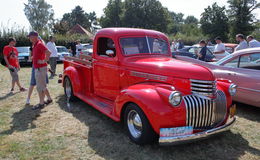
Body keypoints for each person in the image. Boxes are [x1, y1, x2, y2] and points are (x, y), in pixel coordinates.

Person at [28, 31, 52, 110]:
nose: (29, 38)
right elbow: (38, 54)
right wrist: (33, 58)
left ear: (35, 36)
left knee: (39, 87)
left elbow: (48, 52)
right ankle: (49, 99)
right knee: (43, 86)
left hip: (40, 68)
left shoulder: (39, 44)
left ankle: (41, 103)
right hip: (38, 68)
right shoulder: (35, 45)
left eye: (30, 36)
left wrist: (43, 61)